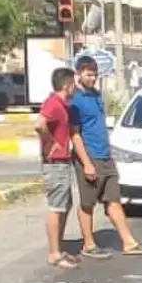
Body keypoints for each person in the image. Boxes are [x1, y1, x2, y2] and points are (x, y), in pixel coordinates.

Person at [69, 56, 142, 258]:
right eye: (88, 74)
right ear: (79, 73)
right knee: (87, 203)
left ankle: (129, 243)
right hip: (89, 158)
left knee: (114, 200)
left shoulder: (97, 96)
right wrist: (87, 164)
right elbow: (75, 134)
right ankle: (88, 245)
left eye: (94, 75)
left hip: (105, 156)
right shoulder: (75, 100)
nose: (92, 78)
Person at [35, 67, 80, 270]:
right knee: (57, 207)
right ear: (66, 85)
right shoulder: (54, 103)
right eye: (73, 84)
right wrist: (51, 142)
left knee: (64, 204)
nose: (75, 88)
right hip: (55, 164)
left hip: (62, 162)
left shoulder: (62, 105)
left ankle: (59, 248)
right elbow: (39, 124)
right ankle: (54, 253)